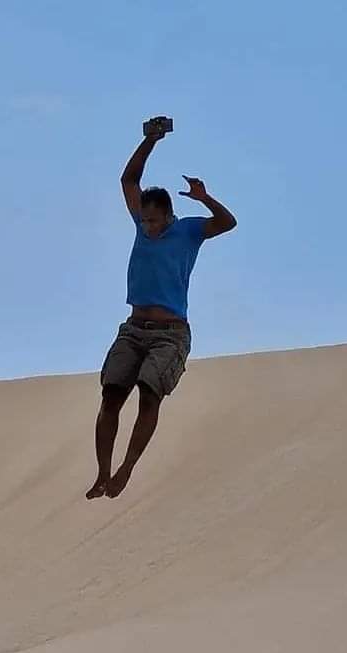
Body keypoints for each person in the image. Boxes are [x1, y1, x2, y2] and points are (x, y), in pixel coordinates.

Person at [86, 118, 237, 500]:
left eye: (154, 221)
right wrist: (149, 141)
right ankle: (103, 472)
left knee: (149, 394)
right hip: (134, 328)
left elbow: (228, 222)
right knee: (111, 395)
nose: (148, 226)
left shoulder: (188, 230)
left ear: (168, 215)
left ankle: (126, 469)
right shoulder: (140, 222)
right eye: (144, 219)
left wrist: (204, 197)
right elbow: (128, 181)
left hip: (170, 333)